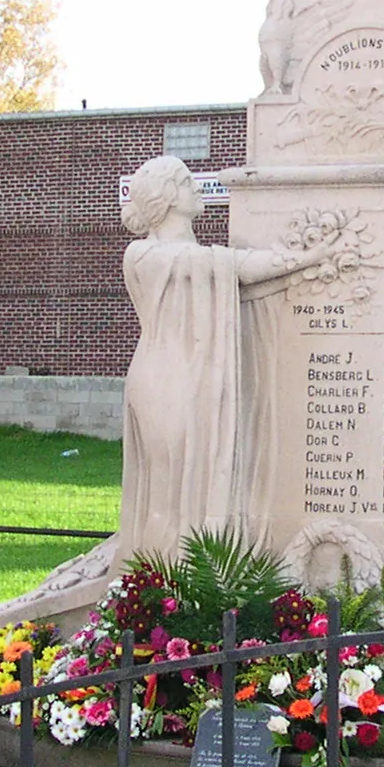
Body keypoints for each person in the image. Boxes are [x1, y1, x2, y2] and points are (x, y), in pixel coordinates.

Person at [116, 156, 341, 562]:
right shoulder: (144, 255)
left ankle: (188, 576)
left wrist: (304, 260)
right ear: (166, 198)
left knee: (198, 483)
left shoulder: (193, 256)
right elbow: (236, 267)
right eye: (186, 183)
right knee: (168, 487)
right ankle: (154, 582)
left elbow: (236, 267)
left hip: (196, 378)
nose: (197, 187)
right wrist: (308, 257)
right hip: (166, 380)